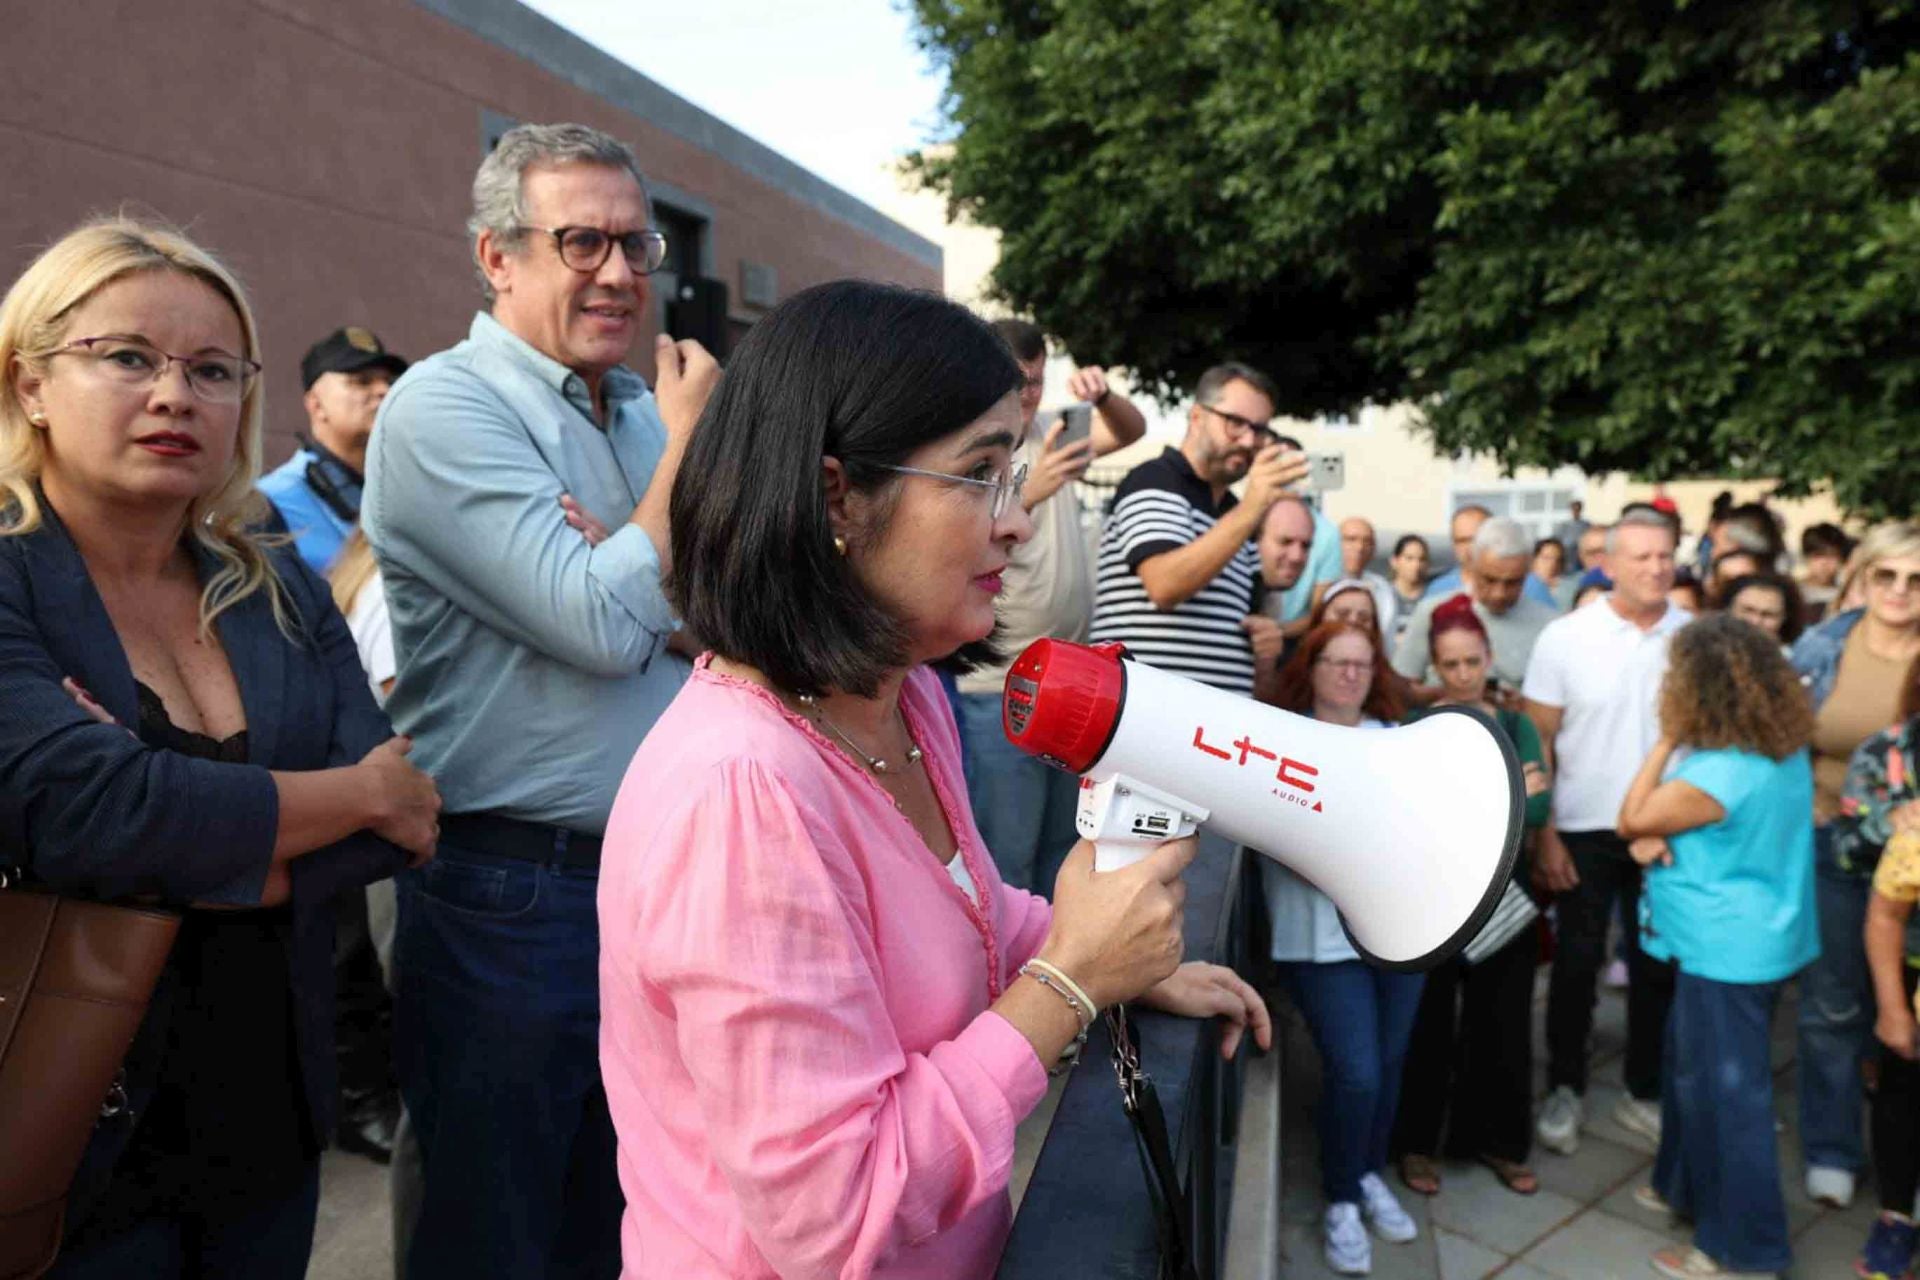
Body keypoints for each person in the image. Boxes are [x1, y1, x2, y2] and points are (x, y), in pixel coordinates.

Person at [596, 279, 1270, 1279]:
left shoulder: (901, 699)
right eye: (983, 474)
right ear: (838, 496)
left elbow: (963, 914)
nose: (1019, 523)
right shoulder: (742, 793)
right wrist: (1070, 981)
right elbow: (835, 1213)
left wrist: (1119, 955)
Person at [0, 217, 440, 1277]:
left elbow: (408, 811)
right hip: (59, 1126)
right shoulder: (10, 575)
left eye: (210, 368)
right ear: (28, 385)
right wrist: (340, 797)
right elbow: (88, 812)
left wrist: (168, 838)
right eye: (127, 357)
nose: (173, 394)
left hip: (266, 1126)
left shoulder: (274, 577)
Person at [362, 122, 720, 1279]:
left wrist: (630, 554)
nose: (620, 272)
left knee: (621, 1227)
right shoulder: (442, 409)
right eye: (581, 241)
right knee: (492, 1237)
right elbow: (611, 626)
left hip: (653, 889)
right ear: (497, 255)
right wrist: (680, 477)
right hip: (511, 894)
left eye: (635, 242)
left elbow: (727, 621)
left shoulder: (626, 413)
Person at [1613, 615, 1819, 1279]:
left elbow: (1631, 816)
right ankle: (1679, 1187)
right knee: (1690, 1074)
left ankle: (1743, 1250)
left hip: (1727, 956)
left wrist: (1667, 739)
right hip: (1747, 946)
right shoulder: (1778, 751)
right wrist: (1660, 840)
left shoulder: (1718, 773)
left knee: (1731, 1103)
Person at [953, 318, 1145, 894]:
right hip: (998, 685)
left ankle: (1055, 969)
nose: (1031, 393)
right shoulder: (973, 441)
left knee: (1061, 854)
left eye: (1038, 379)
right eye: (1019, 379)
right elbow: (968, 531)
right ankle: (1009, 979)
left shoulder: (1049, 434)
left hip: (1067, 679)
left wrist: (1105, 397)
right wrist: (1033, 490)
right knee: (1006, 857)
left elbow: (1132, 432)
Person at [1523, 508, 1689, 1157]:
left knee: (1658, 969)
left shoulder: (1695, 638)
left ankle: (1643, 1091)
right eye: (1640, 556)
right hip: (1584, 828)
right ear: (1610, 563)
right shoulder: (1566, 637)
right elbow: (1538, 741)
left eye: (1664, 555)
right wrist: (1548, 836)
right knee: (1577, 963)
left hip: (1667, 831)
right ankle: (1565, 1086)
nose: (1654, 567)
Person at [1260, 621, 1420, 1275]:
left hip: (1402, 932)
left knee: (1388, 1062)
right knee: (1358, 1070)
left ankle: (1366, 1171)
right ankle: (1342, 1197)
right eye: (1337, 662)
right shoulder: (1283, 741)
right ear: (1312, 668)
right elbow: (1292, 848)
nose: (1351, 674)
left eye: (1362, 663)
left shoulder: (1399, 743)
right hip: (1317, 940)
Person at [1391, 597, 1552, 1200]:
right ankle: (1416, 1144)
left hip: (1504, 899)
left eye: (1471, 661)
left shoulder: (1516, 724)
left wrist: (1469, 803)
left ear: (1489, 657)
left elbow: (1538, 807)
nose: (1462, 674)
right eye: (1450, 664)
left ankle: (1500, 1143)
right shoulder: (1419, 725)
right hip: (1435, 897)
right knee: (1429, 1026)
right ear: (1435, 665)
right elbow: (1412, 813)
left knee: (1505, 1027)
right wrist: (1509, 791)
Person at [1790, 521, 1920, 1209]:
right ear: (1862, 578)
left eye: (1915, 579)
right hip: (1831, 846)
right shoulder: (1820, 646)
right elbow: (1779, 735)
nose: (1899, 592)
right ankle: (1833, 1148)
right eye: (1885, 576)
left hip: (1916, 861)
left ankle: (1903, 1167)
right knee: (1833, 1005)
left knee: (1902, 1006)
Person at [1089, 361, 1306, 694]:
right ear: (1197, 417)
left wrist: (1265, 637)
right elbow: (1165, 585)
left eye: (1259, 429)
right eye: (1235, 422)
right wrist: (1252, 507)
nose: (1249, 440)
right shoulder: (1156, 479)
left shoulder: (1236, 512)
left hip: (1210, 729)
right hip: (1138, 718)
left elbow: (1245, 618)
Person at [1837, 656, 1920, 1280]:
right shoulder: (1887, 753)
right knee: (1901, 1090)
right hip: (1899, 954)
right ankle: (1897, 1215)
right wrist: (1887, 823)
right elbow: (1846, 847)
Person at [256, 326, 407, 575]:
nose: (385, 391)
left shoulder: (405, 493)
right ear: (316, 405)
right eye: (362, 381)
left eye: (389, 381)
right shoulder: (268, 505)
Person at [1395, 517, 1559, 700]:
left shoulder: (1551, 626)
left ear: (1528, 571)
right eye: (1489, 580)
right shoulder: (1432, 612)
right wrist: (1459, 693)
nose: (1499, 593)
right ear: (1472, 564)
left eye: (1512, 583)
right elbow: (1400, 688)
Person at [1422, 504, 1556, 608]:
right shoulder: (1438, 590)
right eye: (1461, 541)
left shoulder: (1532, 586)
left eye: (1476, 538)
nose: (1469, 547)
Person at [1251, 495, 1318, 692]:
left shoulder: (1272, 597)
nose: (1297, 556)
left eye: (1305, 546)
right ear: (1255, 539)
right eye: (1285, 542)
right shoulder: (1234, 594)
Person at [1337, 516, 1400, 636]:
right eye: (1351, 539)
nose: (1359, 547)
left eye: (1367, 542)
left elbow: (1386, 638)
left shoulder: (1383, 589)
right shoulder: (1319, 583)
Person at [1721, 572, 1804, 648]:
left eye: (1768, 614)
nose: (1755, 621)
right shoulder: (1709, 655)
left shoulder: (1795, 661)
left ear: (1784, 619)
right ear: (1728, 610)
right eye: (1748, 610)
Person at [1800, 522, 1856, 625]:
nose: (1824, 563)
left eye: (1832, 556)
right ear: (1806, 557)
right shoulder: (1794, 592)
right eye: (1818, 555)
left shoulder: (1847, 596)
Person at [1557, 524, 1610, 611]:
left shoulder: (1631, 588)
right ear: (1581, 556)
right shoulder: (1567, 592)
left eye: (1605, 551)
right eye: (1593, 553)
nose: (1600, 559)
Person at [1387, 533, 1429, 639]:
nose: (1416, 565)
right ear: (1394, 562)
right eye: (1409, 558)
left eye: (1422, 559)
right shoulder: (1383, 595)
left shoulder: (1433, 596)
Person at [1553, 499, 1591, 564]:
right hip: (1568, 555)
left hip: (1581, 556)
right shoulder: (1564, 526)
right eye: (1573, 509)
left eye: (1577, 509)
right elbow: (1556, 540)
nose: (1575, 512)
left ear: (1580, 510)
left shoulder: (1586, 525)